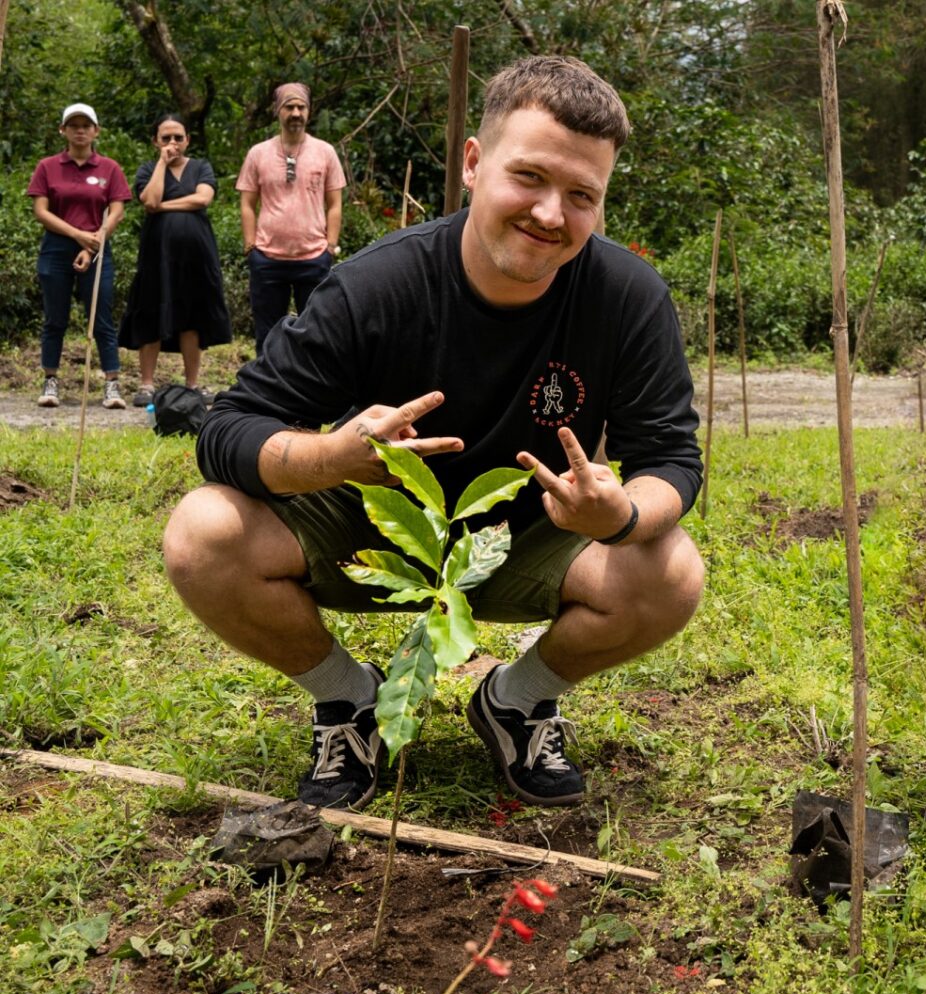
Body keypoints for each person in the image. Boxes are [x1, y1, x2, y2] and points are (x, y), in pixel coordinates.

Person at [164, 56, 705, 813]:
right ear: (475, 164)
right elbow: (227, 429)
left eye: (582, 195)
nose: (552, 214)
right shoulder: (376, 285)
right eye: (531, 178)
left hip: (532, 531)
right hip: (375, 526)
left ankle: (514, 703)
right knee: (201, 532)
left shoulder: (627, 297)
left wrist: (618, 515)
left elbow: (671, 458)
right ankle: (349, 700)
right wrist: (332, 457)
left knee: (671, 569)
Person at [119, 114, 232, 407]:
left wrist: (163, 207)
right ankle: (146, 385)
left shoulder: (200, 167)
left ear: (187, 140)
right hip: (157, 258)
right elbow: (149, 200)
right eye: (166, 138)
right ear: (156, 141)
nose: (172, 143)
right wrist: (161, 164)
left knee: (192, 319)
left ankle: (192, 385)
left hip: (196, 257)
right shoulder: (147, 170)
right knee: (151, 312)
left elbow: (202, 199)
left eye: (178, 137)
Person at [27, 103, 132, 409]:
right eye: (73, 125)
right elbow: (41, 211)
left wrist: (93, 242)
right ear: (63, 130)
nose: (80, 130)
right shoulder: (48, 166)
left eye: (86, 125)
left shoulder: (109, 168)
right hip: (56, 248)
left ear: (96, 131)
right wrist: (77, 235)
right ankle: (50, 380)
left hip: (99, 247)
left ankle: (112, 383)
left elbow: (118, 211)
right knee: (55, 319)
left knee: (101, 319)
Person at [236, 82, 347, 354]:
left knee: (316, 330)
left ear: (308, 111)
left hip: (313, 257)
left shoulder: (325, 152)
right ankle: (266, 392)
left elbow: (334, 204)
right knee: (266, 334)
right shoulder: (258, 153)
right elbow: (248, 203)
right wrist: (251, 246)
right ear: (278, 111)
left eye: (301, 107)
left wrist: (330, 245)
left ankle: (308, 391)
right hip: (267, 258)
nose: (295, 113)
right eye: (289, 107)